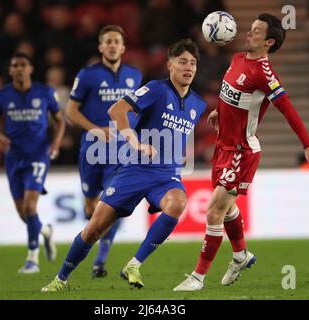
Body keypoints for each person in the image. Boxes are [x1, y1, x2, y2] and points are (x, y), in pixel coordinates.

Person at [173, 13, 309, 291]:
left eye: (256, 32)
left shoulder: (265, 74)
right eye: (251, 29)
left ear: (268, 41)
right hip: (223, 145)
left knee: (214, 211)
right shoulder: (238, 59)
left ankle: (198, 277)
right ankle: (241, 255)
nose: (248, 33)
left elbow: (287, 109)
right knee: (227, 208)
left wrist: (308, 144)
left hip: (242, 150)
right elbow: (232, 93)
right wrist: (220, 110)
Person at [41, 38, 207, 292]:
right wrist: (136, 142)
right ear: (170, 65)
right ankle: (61, 278)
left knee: (177, 203)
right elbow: (117, 110)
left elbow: (177, 133)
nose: (189, 67)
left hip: (165, 175)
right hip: (135, 169)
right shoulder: (156, 89)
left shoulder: (198, 103)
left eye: (193, 63)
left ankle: (134, 264)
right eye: (182, 61)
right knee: (94, 229)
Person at [65, 25, 142, 278]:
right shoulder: (87, 75)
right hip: (93, 149)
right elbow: (71, 110)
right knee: (91, 206)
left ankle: (100, 260)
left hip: (121, 151)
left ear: (123, 47)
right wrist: (93, 128)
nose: (111, 45)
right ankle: (92, 242)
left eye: (116, 41)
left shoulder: (135, 76)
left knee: (113, 205)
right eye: (107, 41)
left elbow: (138, 111)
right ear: (101, 47)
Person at [0, 52, 65, 273]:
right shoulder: (2, 95)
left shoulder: (46, 92)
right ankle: (45, 232)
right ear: (10, 70)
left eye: (23, 65)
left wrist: (56, 143)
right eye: (15, 65)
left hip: (38, 154)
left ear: (30, 69)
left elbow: (60, 122)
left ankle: (32, 259)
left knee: (31, 206)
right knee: (24, 213)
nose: (19, 68)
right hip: (13, 156)